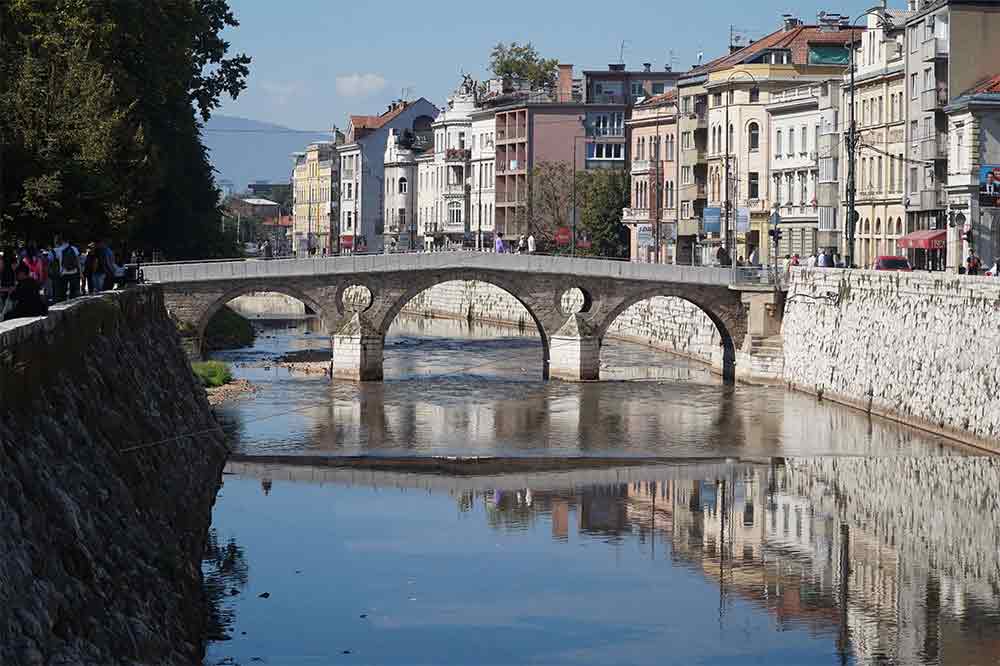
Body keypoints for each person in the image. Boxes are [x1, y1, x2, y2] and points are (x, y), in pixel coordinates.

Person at [53, 235, 81, 301]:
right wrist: (80, 273)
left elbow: (55, 261)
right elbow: (77, 261)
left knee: (63, 292)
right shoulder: (74, 248)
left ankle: (64, 304)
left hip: (63, 273)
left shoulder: (58, 250)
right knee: (73, 292)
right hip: (74, 272)